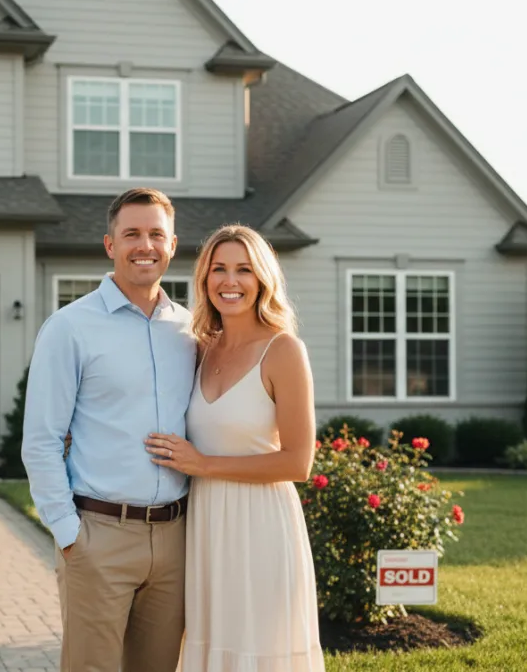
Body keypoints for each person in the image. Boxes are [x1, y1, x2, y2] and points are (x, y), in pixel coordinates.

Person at [21, 187, 196, 672]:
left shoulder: (189, 331)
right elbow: (41, 440)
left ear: (172, 244)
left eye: (156, 234)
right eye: (132, 233)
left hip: (176, 539)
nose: (145, 245)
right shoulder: (70, 327)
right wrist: (68, 534)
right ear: (110, 244)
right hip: (99, 535)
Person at [144, 224, 325, 671]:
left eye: (244, 269)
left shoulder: (283, 350)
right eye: (219, 269)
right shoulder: (200, 349)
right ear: (204, 278)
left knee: (257, 648)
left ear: (262, 278)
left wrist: (203, 464)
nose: (230, 281)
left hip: (261, 525)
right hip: (206, 525)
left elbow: (299, 462)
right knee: (214, 643)